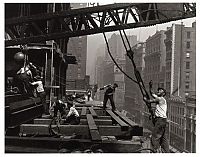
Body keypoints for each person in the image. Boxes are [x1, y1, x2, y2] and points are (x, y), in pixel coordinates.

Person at [143, 81, 170, 153]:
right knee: (163, 138)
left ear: (163, 93)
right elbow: (152, 93)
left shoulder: (160, 99)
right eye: (158, 90)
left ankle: (156, 152)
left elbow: (149, 101)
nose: (158, 90)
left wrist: (145, 99)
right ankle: (167, 152)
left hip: (160, 121)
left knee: (154, 138)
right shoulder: (161, 99)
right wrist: (150, 87)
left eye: (160, 90)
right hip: (163, 121)